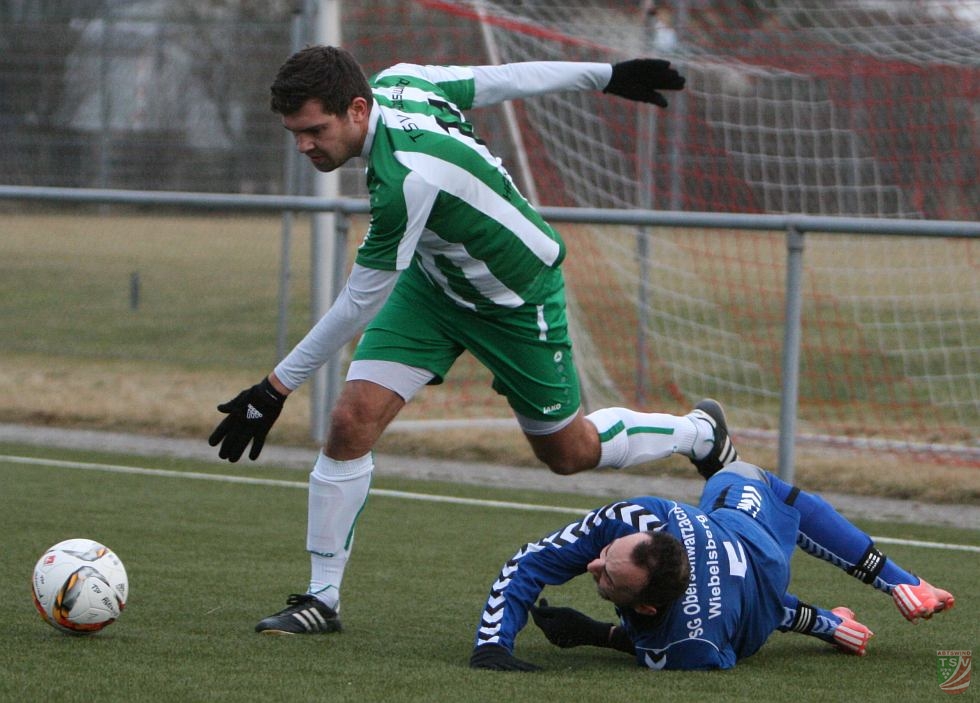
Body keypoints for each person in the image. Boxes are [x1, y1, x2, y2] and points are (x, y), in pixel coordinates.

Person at [207, 46, 737, 634]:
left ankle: (698, 432)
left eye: (314, 131)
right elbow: (506, 79)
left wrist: (275, 388)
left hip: (516, 297)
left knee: (569, 453)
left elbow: (359, 300)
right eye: (295, 133)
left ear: (357, 109)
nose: (304, 145)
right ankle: (321, 599)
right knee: (350, 423)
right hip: (434, 288)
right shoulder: (401, 79)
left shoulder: (407, 174)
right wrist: (605, 74)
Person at [469, 460, 955, 671]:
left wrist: (593, 632)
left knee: (737, 479)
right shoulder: (635, 518)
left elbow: (770, 616)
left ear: (647, 609)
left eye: (606, 577)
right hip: (740, 550)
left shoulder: (691, 644)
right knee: (739, 475)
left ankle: (891, 591)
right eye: (606, 559)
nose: (593, 564)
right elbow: (532, 561)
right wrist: (493, 644)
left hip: (756, 551)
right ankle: (897, 589)